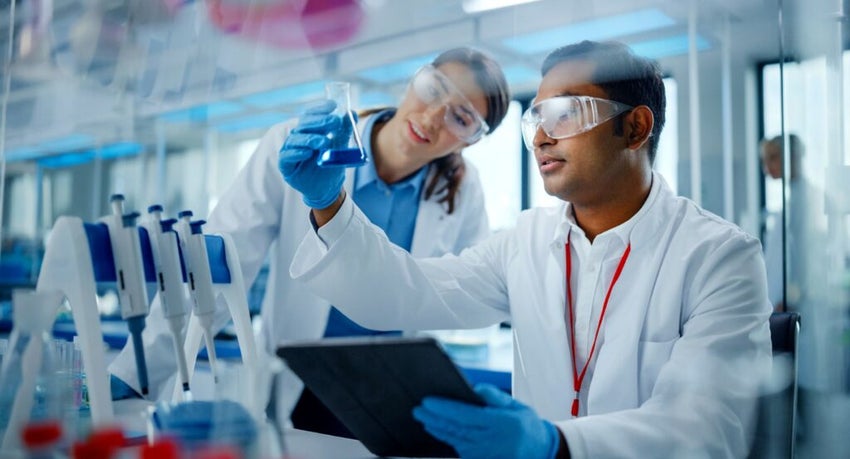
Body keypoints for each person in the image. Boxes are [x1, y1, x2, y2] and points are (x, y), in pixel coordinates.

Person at [282, 40, 772, 458]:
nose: (539, 137)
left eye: (563, 114)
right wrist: (329, 202)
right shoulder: (527, 241)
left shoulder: (720, 258)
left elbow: (708, 431)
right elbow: (404, 293)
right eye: (536, 117)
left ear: (636, 128)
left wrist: (554, 445)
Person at [108, 47, 512, 432]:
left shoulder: (461, 192)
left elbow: (466, 295)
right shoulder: (302, 146)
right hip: (300, 376)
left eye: (461, 118)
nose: (432, 118)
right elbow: (219, 265)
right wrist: (138, 370)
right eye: (434, 90)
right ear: (414, 80)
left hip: (389, 386)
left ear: (472, 140)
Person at [759, 134, 804, 312]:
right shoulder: (790, 202)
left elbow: (804, 259)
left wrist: (791, 297)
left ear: (793, 157)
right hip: (779, 300)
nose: (767, 167)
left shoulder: (803, 202)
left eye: (773, 158)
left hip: (791, 303)